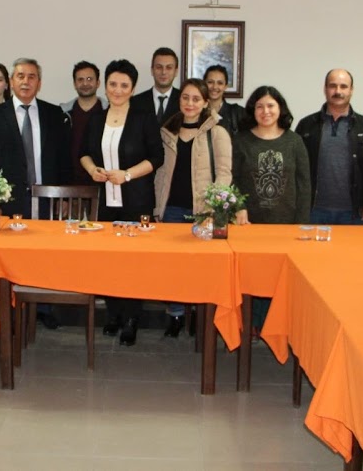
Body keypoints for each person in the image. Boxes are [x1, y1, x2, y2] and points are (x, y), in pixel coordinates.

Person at [81, 59, 164, 346]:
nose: (117, 90)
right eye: (113, 84)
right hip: (105, 204)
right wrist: (93, 170)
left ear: (132, 88)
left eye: (124, 85)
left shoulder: (143, 118)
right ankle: (113, 314)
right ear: (106, 86)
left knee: (133, 262)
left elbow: (156, 158)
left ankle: (131, 318)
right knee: (107, 260)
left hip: (136, 201)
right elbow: (84, 152)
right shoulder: (96, 118)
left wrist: (126, 175)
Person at [153, 78, 232, 336]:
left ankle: (199, 313)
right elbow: (160, 174)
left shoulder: (216, 132)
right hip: (172, 209)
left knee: (201, 268)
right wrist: (157, 208)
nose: (190, 103)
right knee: (173, 268)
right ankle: (175, 315)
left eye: (196, 99)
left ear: (206, 102)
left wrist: (214, 210)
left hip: (203, 212)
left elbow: (224, 174)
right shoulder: (167, 132)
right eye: (185, 98)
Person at [232, 85, 310, 334]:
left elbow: (304, 184)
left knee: (279, 278)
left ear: (280, 109)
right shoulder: (241, 141)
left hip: (285, 224)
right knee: (252, 276)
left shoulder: (294, 141)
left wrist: (301, 223)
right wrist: (238, 207)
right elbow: (229, 179)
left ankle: (275, 327)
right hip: (249, 224)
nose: (265, 111)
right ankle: (251, 325)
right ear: (252, 110)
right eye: (259, 106)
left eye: (271, 105)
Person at [0, 58, 71, 219]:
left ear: (39, 83)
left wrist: (63, 196)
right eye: (20, 76)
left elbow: (63, 159)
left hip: (47, 198)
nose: (25, 81)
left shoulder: (54, 113)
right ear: (11, 82)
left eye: (31, 77)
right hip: (8, 199)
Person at [295, 69, 363, 225]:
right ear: (325, 89)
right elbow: (296, 168)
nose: (338, 91)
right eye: (333, 86)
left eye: (343, 86)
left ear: (351, 90)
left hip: (355, 213)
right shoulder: (307, 126)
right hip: (313, 211)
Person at [60, 61, 108, 184]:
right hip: (70, 185)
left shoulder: (109, 112)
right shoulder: (62, 114)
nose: (85, 83)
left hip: (103, 183)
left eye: (89, 79)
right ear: (75, 84)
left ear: (98, 83)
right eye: (80, 80)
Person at [132, 47, 181, 126]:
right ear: (152, 70)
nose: (164, 72)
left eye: (169, 67)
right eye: (159, 67)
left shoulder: (184, 101)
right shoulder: (135, 102)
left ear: (176, 72)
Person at [203, 65, 244, 135]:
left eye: (220, 83)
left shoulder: (237, 113)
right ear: (204, 84)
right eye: (210, 82)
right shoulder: (196, 112)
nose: (215, 87)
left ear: (225, 86)